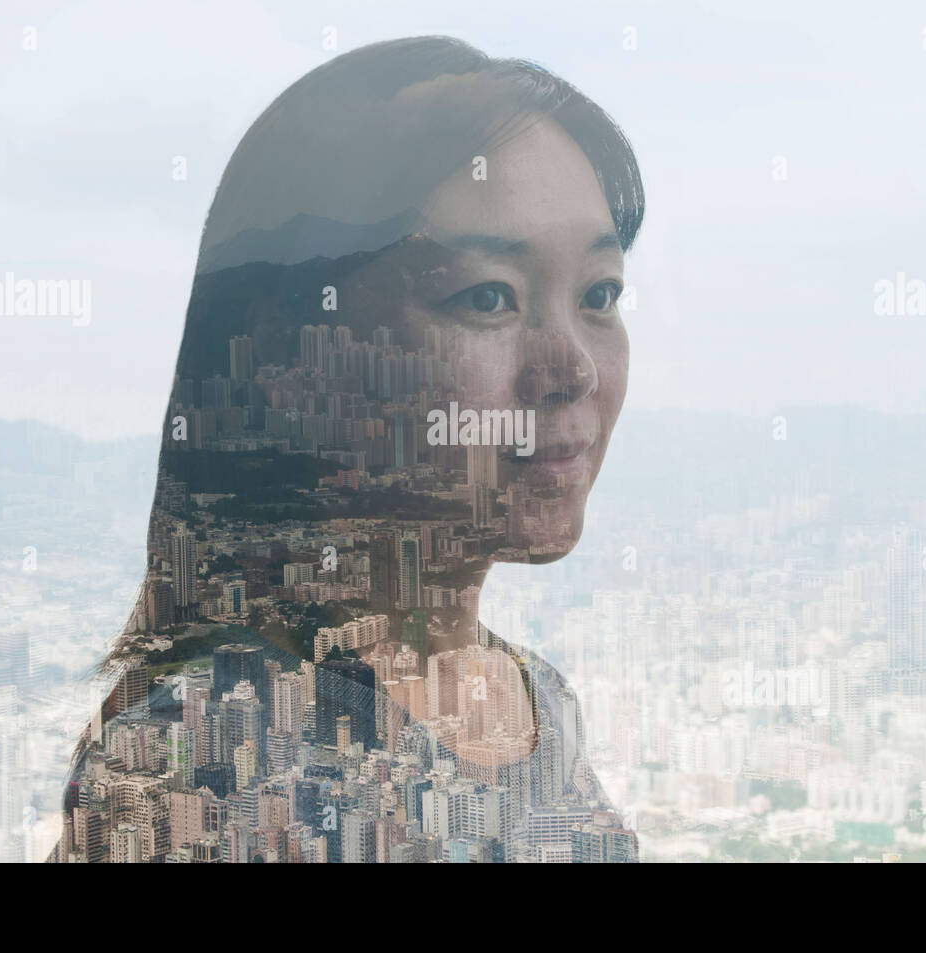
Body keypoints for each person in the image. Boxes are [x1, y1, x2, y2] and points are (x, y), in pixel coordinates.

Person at [55, 35, 644, 864]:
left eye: (599, 294)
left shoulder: (539, 697)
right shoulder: (195, 769)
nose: (572, 367)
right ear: (290, 356)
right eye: (487, 297)